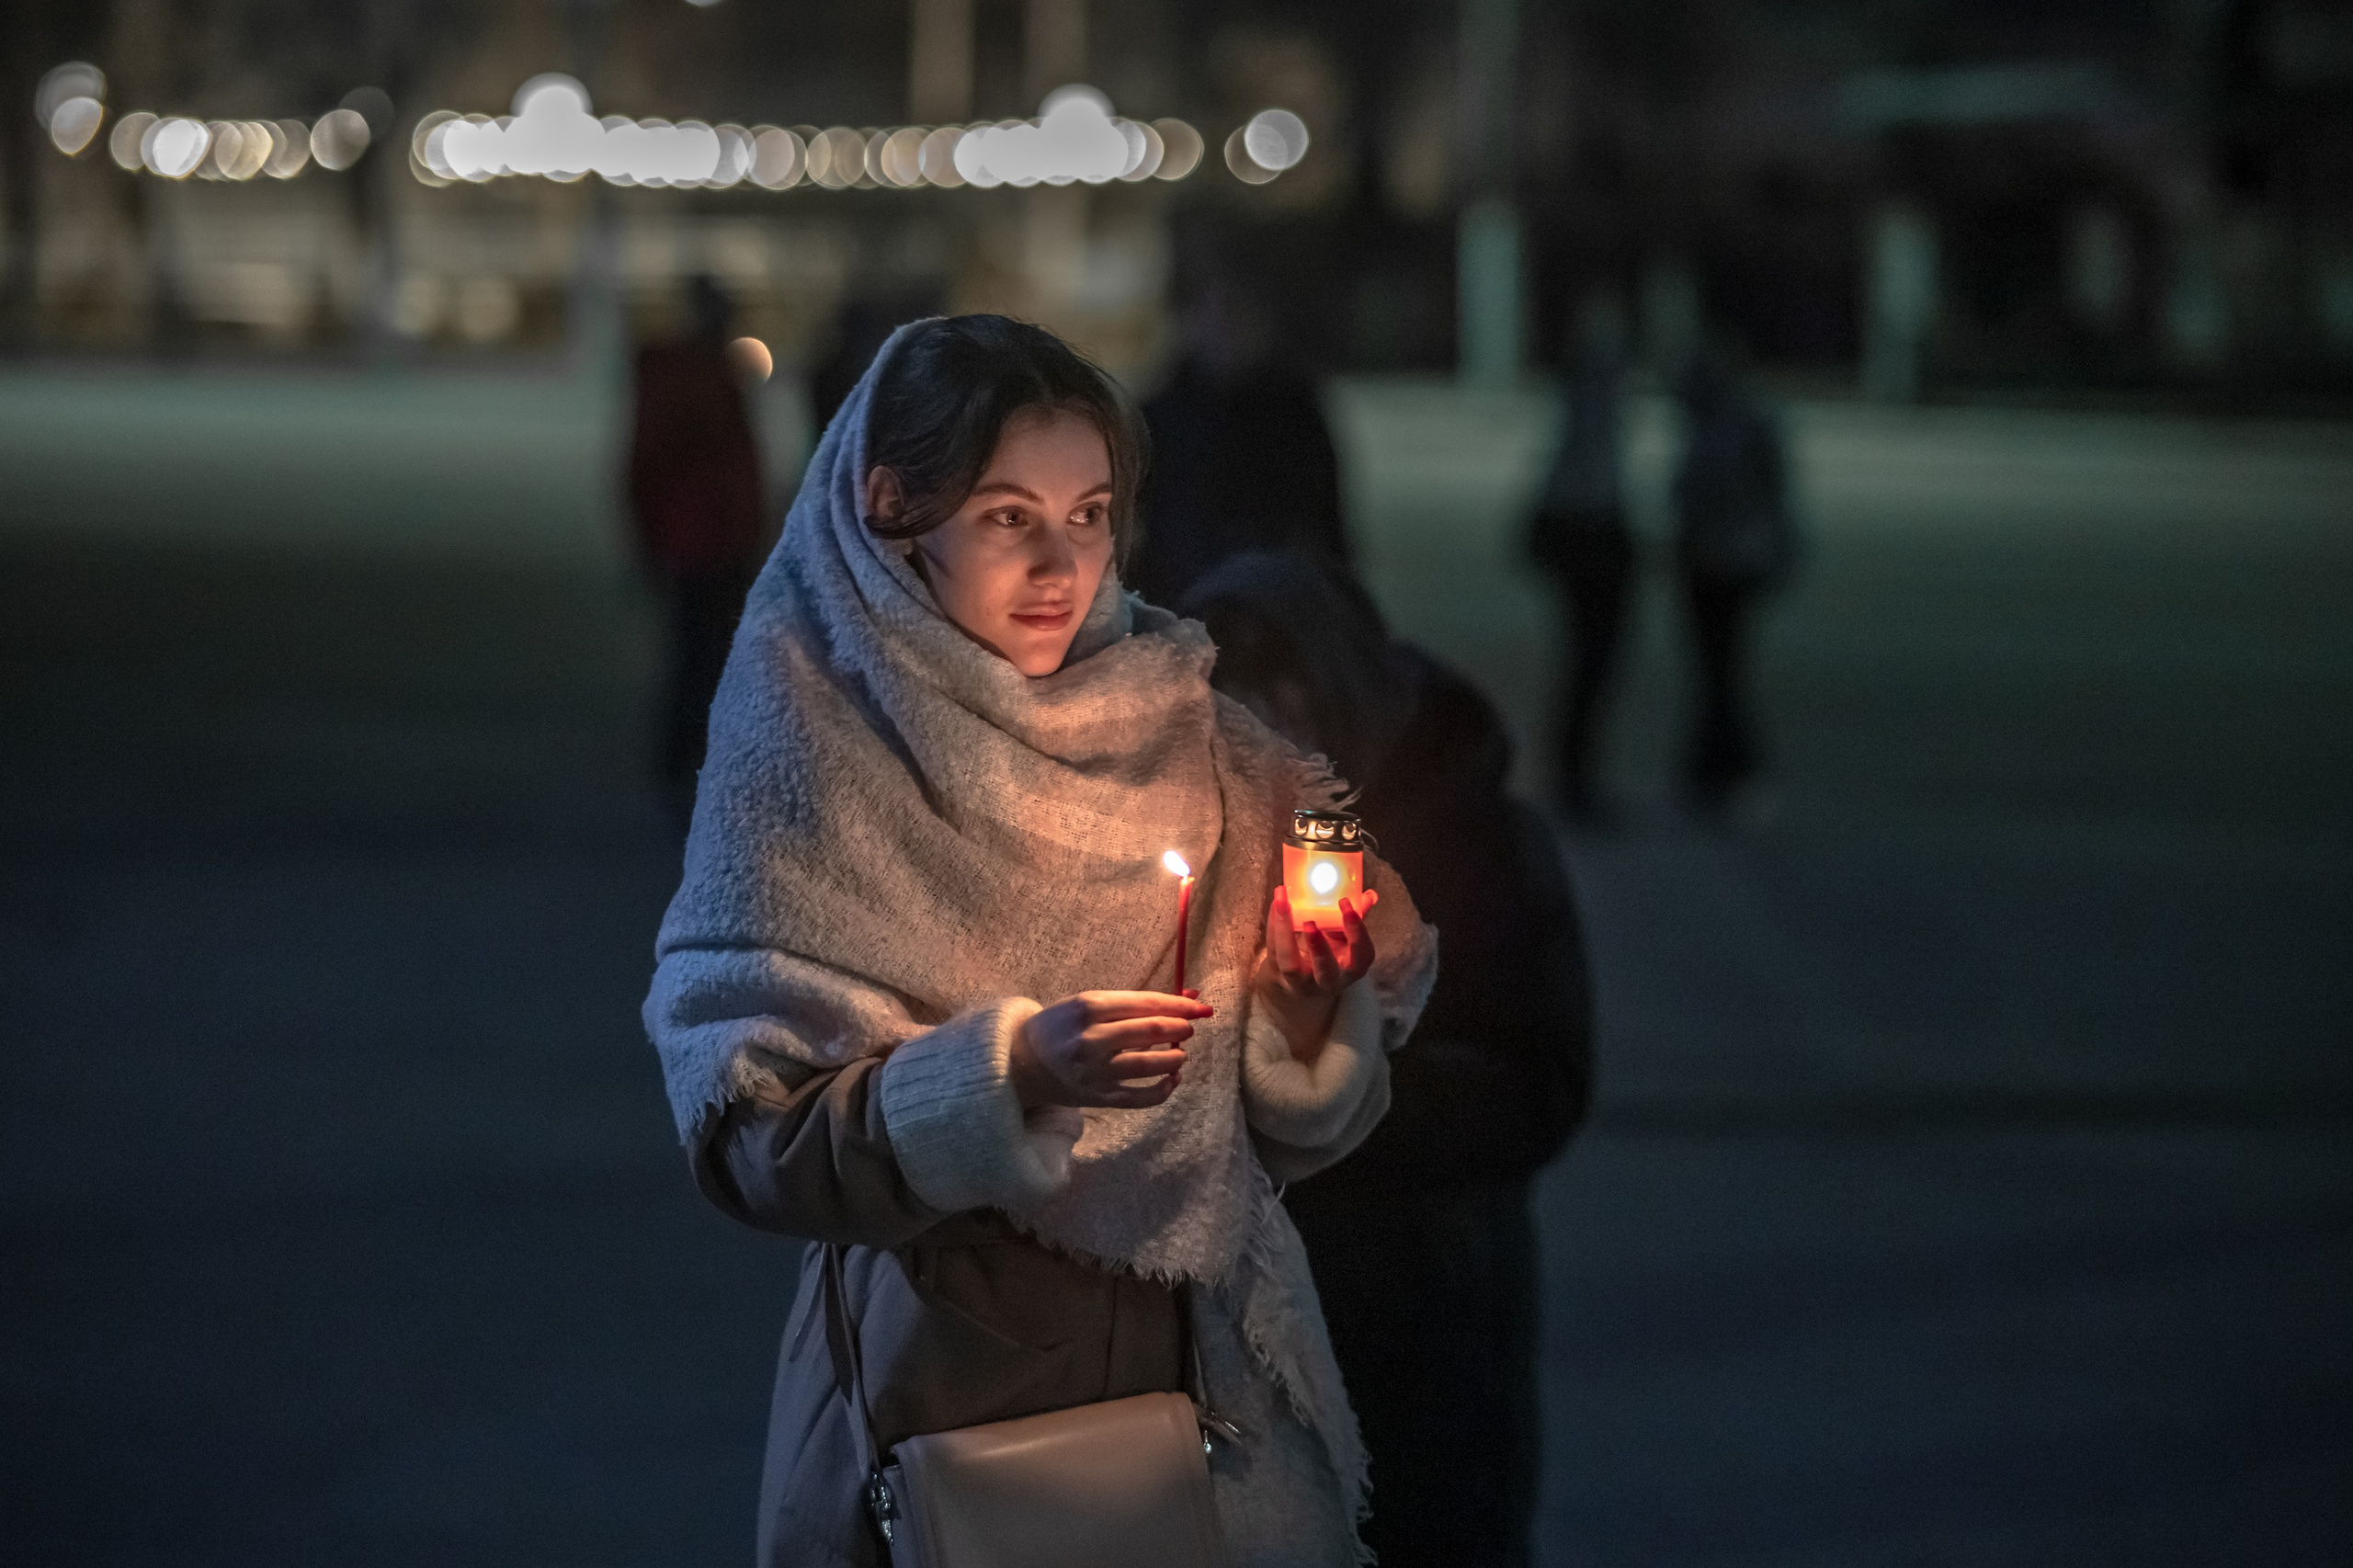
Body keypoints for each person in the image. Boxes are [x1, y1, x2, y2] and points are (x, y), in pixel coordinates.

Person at [642, 316, 1439, 1568]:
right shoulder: (811, 752)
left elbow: (1280, 1134)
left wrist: (1297, 1004)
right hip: (953, 1404)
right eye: (1009, 515)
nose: (1061, 564)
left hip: (1214, 1397)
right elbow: (750, 1136)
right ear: (892, 506)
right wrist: (1005, 1074)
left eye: (1091, 513)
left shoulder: (1184, 727)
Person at [1179, 551, 1592, 1568]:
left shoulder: (1469, 842)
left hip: (1420, 1312)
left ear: (1341, 699)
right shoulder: (1184, 842)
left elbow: (1537, 1084)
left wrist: (1330, 1092)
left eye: (1283, 707)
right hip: (1235, 1327)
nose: (1258, 743)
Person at [627, 274, 767, 813]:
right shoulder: (693, 377)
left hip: (710, 538)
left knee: (703, 650)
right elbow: (653, 466)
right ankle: (684, 754)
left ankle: (687, 751)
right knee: (700, 651)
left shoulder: (706, 374)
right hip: (700, 541)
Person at [1127, 269, 1350, 604]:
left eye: (1236, 314)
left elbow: (1324, 516)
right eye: (1213, 315)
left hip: (1272, 598)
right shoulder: (1158, 415)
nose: (1224, 330)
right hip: (1184, 593)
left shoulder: (1293, 411)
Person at [1670, 348, 1798, 812]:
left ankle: (1723, 767)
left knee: (1721, 672)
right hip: (1714, 565)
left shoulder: (1734, 429)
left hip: (1727, 565)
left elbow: (1763, 496)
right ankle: (1721, 766)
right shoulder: (1719, 427)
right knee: (1720, 672)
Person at [1527, 324, 1636, 823]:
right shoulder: (1593, 420)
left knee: (1586, 666)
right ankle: (1574, 776)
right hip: (1594, 545)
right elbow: (1589, 488)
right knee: (1591, 665)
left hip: (1591, 543)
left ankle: (1573, 772)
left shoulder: (1583, 418)